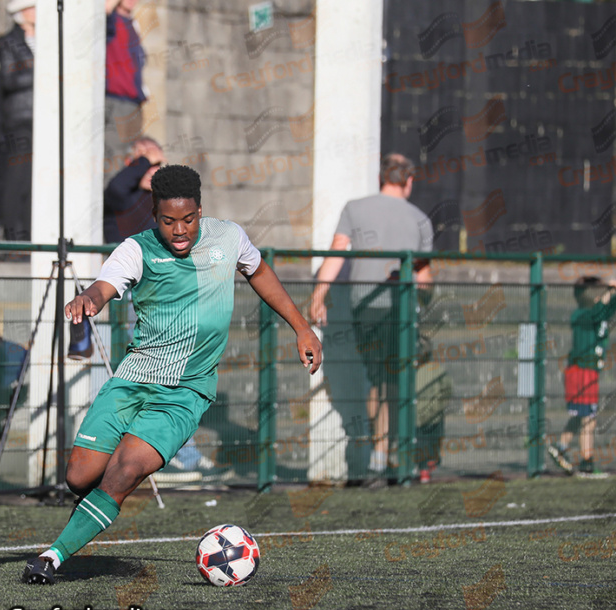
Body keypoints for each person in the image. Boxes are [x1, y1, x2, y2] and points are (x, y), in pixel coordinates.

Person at [22, 165, 322, 584]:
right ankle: (94, 511)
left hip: (185, 391)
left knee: (125, 471)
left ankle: (53, 557)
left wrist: (301, 326)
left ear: (201, 210)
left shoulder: (229, 237)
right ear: (154, 213)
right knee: (79, 476)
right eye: (168, 221)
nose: (179, 230)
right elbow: (104, 286)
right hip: (132, 381)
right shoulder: (137, 249)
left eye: (188, 219)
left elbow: (258, 271)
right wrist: (88, 299)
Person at [308, 153, 433, 484]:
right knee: (394, 381)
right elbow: (424, 277)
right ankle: (387, 457)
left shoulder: (355, 208)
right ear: (409, 181)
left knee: (376, 379)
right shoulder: (420, 218)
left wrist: (319, 294)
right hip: (402, 309)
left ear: (381, 179)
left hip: (365, 306)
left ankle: (371, 458)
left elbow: (336, 253)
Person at [548, 277, 616, 476]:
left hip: (589, 371)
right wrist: (609, 292)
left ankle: (562, 447)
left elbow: (606, 312)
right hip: (581, 371)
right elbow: (598, 312)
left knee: (583, 415)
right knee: (588, 417)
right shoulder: (582, 315)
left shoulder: (596, 314)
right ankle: (585, 460)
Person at [0, 0, 36, 242]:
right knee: (15, 180)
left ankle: (29, 235)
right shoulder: (9, 40)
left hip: (41, 121)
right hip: (20, 120)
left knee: (32, 184)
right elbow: (10, 79)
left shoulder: (44, 39)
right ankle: (11, 236)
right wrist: (40, 71)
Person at [104, 0, 148, 181]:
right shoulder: (110, 18)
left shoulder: (132, 23)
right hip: (115, 100)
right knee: (113, 161)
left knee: (130, 160)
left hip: (133, 102)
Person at [103, 137, 164, 243]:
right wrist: (145, 160)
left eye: (156, 164)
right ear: (130, 164)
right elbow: (117, 188)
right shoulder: (122, 197)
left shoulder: (160, 198)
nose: (152, 172)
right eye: (147, 164)